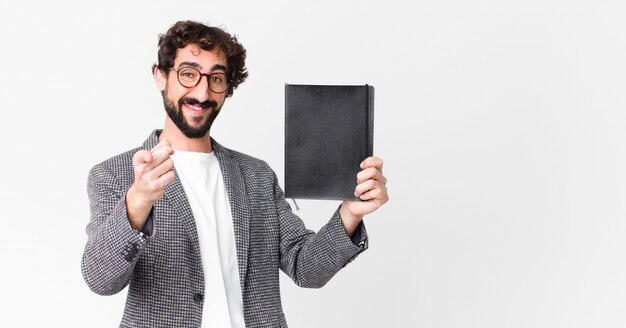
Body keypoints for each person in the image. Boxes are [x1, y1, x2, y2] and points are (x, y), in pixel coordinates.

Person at [81, 20, 389, 328]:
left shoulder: (256, 176)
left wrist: (351, 212)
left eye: (215, 78)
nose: (202, 92)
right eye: (188, 74)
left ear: (227, 88)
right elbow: (100, 279)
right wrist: (138, 202)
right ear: (160, 76)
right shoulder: (114, 175)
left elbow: (306, 268)